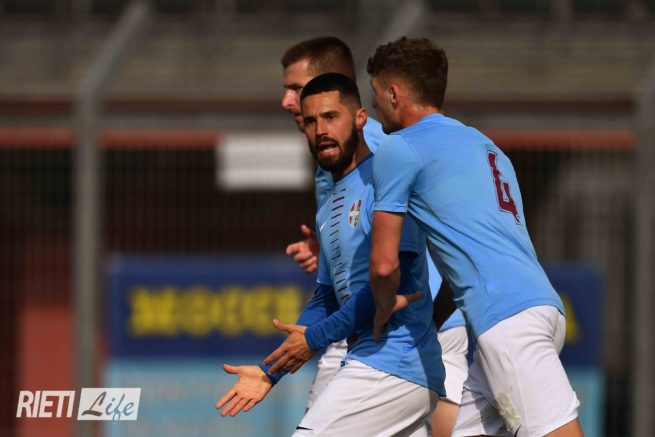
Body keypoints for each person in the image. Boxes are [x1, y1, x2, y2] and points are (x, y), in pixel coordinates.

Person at [366, 37, 582, 437]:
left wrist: (382, 308)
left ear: (393, 94)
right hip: (538, 308)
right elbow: (470, 256)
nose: (374, 106)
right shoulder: (486, 147)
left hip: (507, 323)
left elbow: (382, 264)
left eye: (375, 93)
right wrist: (432, 322)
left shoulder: (399, 148)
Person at [217, 73, 445, 436]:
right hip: (379, 363)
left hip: (393, 361)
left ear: (360, 118)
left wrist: (313, 339)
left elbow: (390, 280)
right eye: (311, 121)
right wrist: (269, 372)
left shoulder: (386, 181)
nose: (320, 130)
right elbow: (327, 296)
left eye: (331, 117)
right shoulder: (328, 205)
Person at [279, 37, 468, 435]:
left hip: (404, 320)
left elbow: (419, 235)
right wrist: (330, 250)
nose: (287, 101)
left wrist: (418, 313)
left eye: (297, 88)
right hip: (383, 320)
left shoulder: (382, 147)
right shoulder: (334, 160)